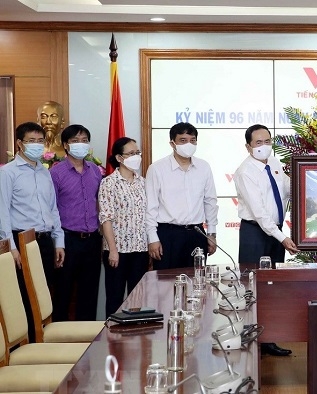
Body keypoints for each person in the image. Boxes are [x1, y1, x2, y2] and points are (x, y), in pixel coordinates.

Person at [234, 124, 299, 357]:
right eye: (258, 143)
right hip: (256, 233)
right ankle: (251, 342)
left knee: (272, 289)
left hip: (275, 232)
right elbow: (260, 213)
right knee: (253, 289)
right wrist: (283, 238)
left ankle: (269, 340)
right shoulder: (245, 172)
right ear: (248, 146)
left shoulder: (275, 164)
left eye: (267, 141)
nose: (264, 146)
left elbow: (291, 191)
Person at [0, 122, 65, 333]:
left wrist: (59, 241)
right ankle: (26, 345)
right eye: (31, 141)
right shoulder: (8, 173)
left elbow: (53, 209)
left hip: (45, 240)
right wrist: (11, 248)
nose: (37, 145)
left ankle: (42, 340)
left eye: (40, 141)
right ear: (19, 144)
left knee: (44, 294)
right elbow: (2, 212)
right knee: (25, 296)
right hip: (21, 242)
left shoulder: (44, 172)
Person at [145, 122, 218, 270]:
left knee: (197, 282)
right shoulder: (157, 169)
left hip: (197, 234)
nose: (189, 144)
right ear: (172, 143)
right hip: (168, 235)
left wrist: (211, 233)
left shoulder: (204, 167)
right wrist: (152, 238)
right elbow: (150, 206)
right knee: (166, 285)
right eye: (183, 140)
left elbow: (210, 202)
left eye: (192, 140)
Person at [50, 124, 102, 321]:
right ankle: (61, 339)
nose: (81, 144)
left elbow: (99, 203)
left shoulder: (95, 171)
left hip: (92, 240)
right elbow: (52, 208)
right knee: (63, 291)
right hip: (68, 240)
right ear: (65, 145)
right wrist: (58, 243)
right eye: (75, 141)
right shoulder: (56, 173)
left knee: (89, 292)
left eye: (84, 140)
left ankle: (86, 339)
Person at [98, 137, 149, 316]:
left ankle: (135, 339)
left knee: (138, 299)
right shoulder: (109, 183)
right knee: (115, 299)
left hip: (140, 250)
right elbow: (106, 218)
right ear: (119, 158)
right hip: (117, 251)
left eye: (137, 153)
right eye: (131, 153)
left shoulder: (143, 182)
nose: (136, 156)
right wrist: (112, 249)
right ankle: (112, 341)